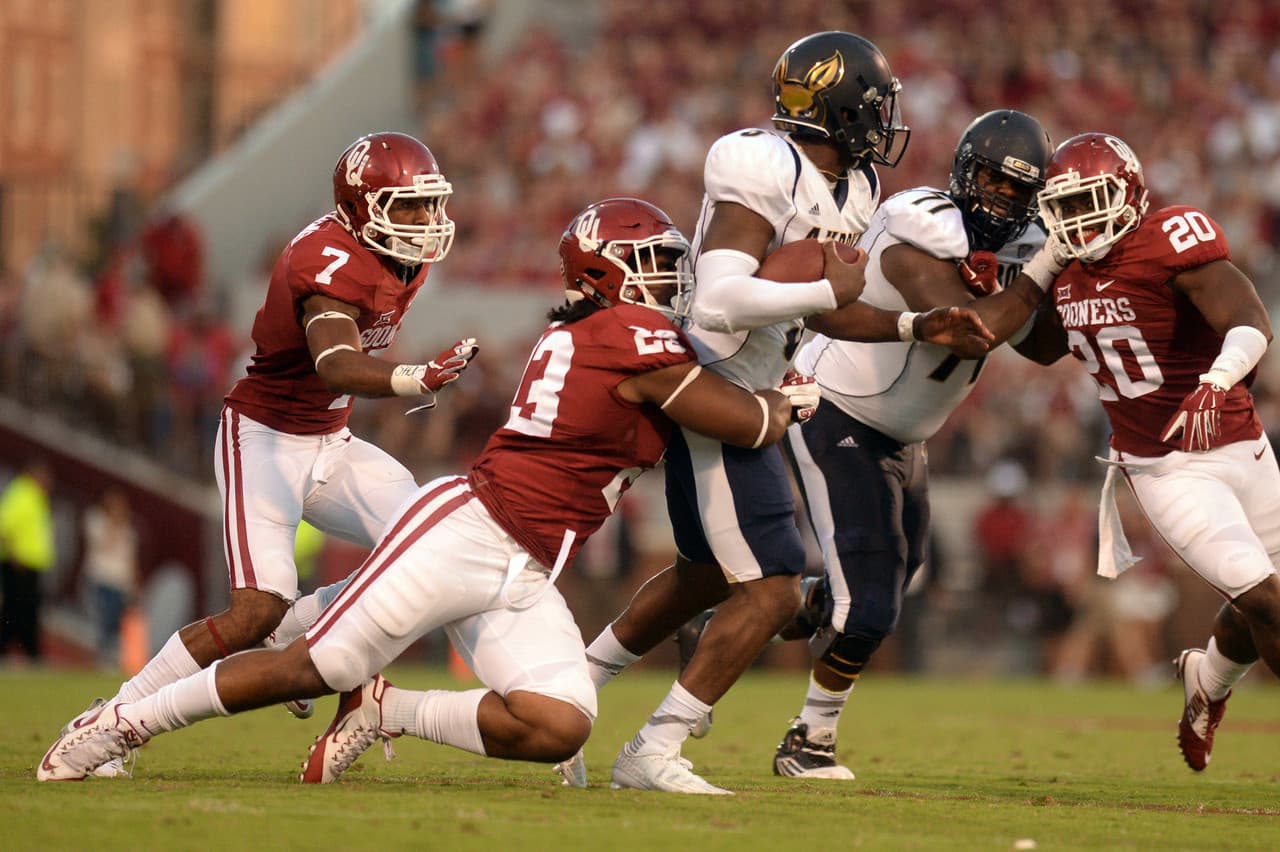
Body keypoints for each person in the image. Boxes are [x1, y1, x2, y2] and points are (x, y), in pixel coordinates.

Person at [36, 197, 822, 783]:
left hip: (525, 569)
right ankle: (120, 725)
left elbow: (721, 402)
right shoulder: (628, 332)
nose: (671, 278)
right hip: (471, 532)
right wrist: (787, 391)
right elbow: (746, 423)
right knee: (312, 668)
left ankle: (389, 709)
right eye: (652, 261)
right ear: (603, 270)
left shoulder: (603, 331)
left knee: (561, 722)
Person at [570, 32, 996, 795]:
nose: (885, 123)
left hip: (756, 383)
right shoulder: (762, 162)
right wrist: (825, 291)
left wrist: (913, 325)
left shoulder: (857, 187)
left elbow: (828, 310)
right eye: (874, 107)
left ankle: (569, 691)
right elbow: (720, 298)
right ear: (837, 108)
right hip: (714, 381)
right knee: (773, 591)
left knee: (703, 578)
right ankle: (654, 747)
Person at [62, 131, 479, 776]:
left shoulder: (405, 260)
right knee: (255, 610)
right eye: (408, 206)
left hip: (332, 439)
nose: (426, 220)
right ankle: (112, 717)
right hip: (265, 437)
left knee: (432, 542)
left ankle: (296, 636)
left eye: (430, 204)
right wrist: (413, 377)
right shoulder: (324, 258)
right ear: (361, 207)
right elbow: (336, 362)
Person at [759, 109, 1061, 779]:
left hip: (903, 433)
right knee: (869, 603)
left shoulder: (1029, 245)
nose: (1003, 198)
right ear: (964, 172)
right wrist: (1047, 266)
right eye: (993, 180)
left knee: (894, 579)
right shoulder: (920, 221)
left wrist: (1074, 273)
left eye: (1019, 188)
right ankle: (809, 741)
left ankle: (764, 609)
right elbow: (970, 329)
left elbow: (1042, 347)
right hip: (836, 408)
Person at [1015, 131, 1278, 773]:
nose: (1079, 220)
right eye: (1066, 207)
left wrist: (1217, 381)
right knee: (1266, 601)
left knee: (1264, 601)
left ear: (1130, 192)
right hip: (1166, 467)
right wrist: (1026, 276)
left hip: (1243, 445)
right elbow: (1037, 346)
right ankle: (1209, 682)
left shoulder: (1170, 240)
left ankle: (1206, 681)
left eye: (1091, 201)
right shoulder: (1064, 270)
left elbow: (1250, 322)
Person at [0, 461, 56, 662]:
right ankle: (30, 653)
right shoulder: (22, 494)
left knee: (23, 609)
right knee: (18, 608)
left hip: (29, 563)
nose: (48, 481)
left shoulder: (36, 497)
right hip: (19, 563)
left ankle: (26, 651)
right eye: (44, 476)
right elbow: (5, 526)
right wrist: (14, 554)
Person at [81, 487, 140, 669]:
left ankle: (109, 656)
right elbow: (104, 545)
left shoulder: (128, 530)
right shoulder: (96, 521)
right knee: (104, 618)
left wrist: (134, 583)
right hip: (102, 578)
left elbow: (130, 558)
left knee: (115, 621)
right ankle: (101, 656)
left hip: (120, 582)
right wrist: (114, 524)